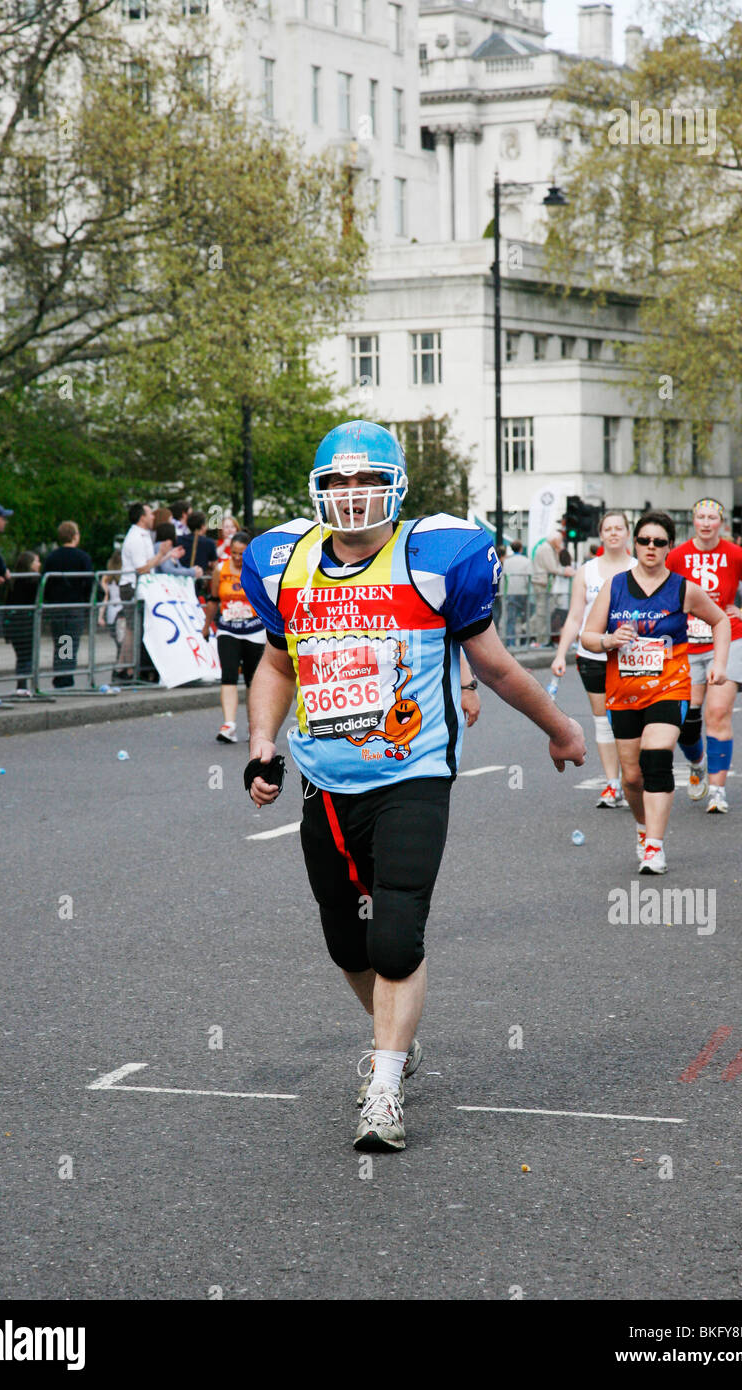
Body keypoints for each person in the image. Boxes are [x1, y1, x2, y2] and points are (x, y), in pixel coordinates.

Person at [240, 420, 585, 1153]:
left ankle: (385, 1087)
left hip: (412, 775)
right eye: (338, 482)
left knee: (396, 938)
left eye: (366, 480)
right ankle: (394, 1040)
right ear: (319, 490)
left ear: (393, 486)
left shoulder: (434, 557)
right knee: (347, 943)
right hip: (323, 783)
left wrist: (558, 726)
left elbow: (493, 666)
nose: (352, 495)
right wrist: (263, 739)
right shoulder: (283, 561)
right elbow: (277, 664)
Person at [582, 511, 729, 874]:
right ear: (636, 544)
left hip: (669, 687)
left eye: (659, 542)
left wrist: (720, 663)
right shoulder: (614, 586)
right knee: (632, 776)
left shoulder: (683, 588)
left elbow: (721, 620)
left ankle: (655, 848)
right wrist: (608, 640)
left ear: (669, 547)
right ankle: (643, 828)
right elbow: (587, 636)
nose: (651, 547)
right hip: (623, 692)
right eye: (645, 541)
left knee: (657, 757)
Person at [666, 498, 742, 813]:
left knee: (717, 713)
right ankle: (697, 763)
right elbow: (657, 586)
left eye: (712, 517)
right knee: (685, 719)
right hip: (686, 644)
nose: (706, 522)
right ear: (693, 521)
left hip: (727, 639)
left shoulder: (736, 553)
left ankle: (717, 790)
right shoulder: (677, 555)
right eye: (700, 516)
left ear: (721, 523)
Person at [552, 510, 634, 808]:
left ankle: (631, 778)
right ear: (601, 534)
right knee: (603, 721)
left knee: (626, 720)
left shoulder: (639, 568)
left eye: (619, 528)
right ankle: (613, 784)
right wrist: (561, 654)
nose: (613, 533)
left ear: (628, 533)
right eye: (608, 528)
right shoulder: (587, 571)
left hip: (629, 657)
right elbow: (575, 617)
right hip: (592, 654)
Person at [203, 531, 265, 743]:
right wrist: (205, 627)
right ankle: (229, 725)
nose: (237, 558)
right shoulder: (221, 569)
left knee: (252, 680)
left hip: (255, 629)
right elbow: (213, 599)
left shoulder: (257, 569)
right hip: (228, 628)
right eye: (234, 553)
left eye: (241, 554)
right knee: (228, 675)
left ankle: (254, 725)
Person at [114, 502, 183, 680]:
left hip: (140, 586)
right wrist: (161, 555)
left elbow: (149, 564)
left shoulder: (143, 535)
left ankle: (125, 668)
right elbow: (142, 568)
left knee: (134, 627)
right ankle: (124, 668)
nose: (153, 516)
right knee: (133, 628)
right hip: (132, 586)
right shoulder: (136, 538)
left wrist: (167, 555)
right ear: (142, 517)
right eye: (150, 514)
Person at [41, 522, 95, 688]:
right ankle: (65, 676)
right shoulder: (82, 557)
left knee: (61, 641)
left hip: (56, 606)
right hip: (74, 605)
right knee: (69, 641)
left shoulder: (52, 557)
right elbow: (90, 582)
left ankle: (60, 673)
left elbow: (45, 582)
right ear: (74, 536)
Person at [4, 551, 41, 694]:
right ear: (29, 564)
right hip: (27, 623)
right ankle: (23, 686)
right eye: (36, 561)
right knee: (26, 656)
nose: (39, 564)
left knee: (22, 656)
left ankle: (22, 684)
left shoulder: (14, 581)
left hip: (15, 624)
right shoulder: (34, 581)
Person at [531, 530, 574, 647]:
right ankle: (542, 639)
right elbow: (552, 567)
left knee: (544, 612)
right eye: (559, 541)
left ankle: (542, 638)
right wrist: (565, 571)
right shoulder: (546, 549)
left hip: (543, 583)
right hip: (542, 584)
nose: (560, 543)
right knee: (542, 612)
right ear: (555, 540)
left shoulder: (547, 548)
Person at [502, 540, 531, 647]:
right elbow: (529, 579)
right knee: (525, 618)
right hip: (523, 592)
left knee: (511, 618)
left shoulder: (507, 561)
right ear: (521, 549)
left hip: (511, 592)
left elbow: (504, 578)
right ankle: (524, 642)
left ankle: (511, 642)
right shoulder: (526, 561)